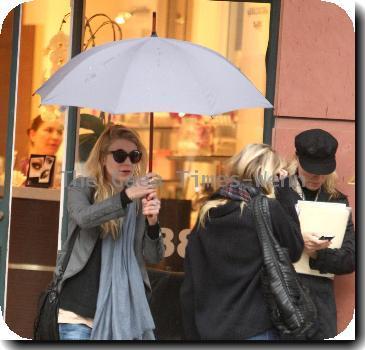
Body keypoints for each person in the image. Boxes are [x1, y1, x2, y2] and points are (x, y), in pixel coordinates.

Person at [180, 144, 304, 340]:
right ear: (271, 176)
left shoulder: (208, 212)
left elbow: (191, 281)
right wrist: (286, 190)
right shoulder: (268, 210)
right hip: (255, 330)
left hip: (209, 329)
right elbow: (296, 248)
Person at [54, 124, 165, 340]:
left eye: (134, 156)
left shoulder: (140, 198)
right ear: (103, 158)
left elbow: (153, 256)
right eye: (119, 155)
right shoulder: (82, 187)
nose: (127, 162)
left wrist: (152, 223)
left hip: (124, 314)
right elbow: (85, 218)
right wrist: (126, 196)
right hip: (78, 314)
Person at [276, 128, 355, 339]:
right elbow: (264, 242)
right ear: (296, 160)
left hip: (320, 304)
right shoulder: (279, 191)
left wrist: (317, 254)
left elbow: (350, 260)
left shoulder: (337, 200)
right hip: (282, 297)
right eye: (310, 169)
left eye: (323, 170)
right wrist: (296, 240)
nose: (317, 176)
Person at [16, 115, 64, 186]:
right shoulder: (15, 171)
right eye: (49, 130)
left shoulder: (66, 172)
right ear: (32, 135)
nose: (55, 137)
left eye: (60, 132)